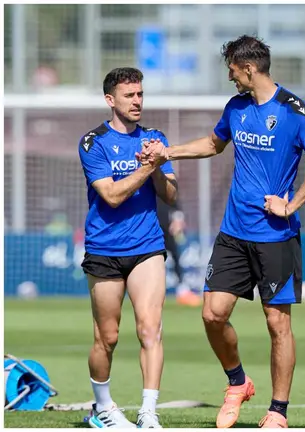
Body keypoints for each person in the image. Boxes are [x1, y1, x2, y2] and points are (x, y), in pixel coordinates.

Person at [139, 35, 305, 429]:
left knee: (277, 324)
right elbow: (213, 144)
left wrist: (291, 204)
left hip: (276, 236)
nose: (229, 75)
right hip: (233, 234)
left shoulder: (293, 110)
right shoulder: (236, 107)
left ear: (248, 68)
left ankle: (277, 412)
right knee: (212, 315)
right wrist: (167, 151)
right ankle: (238, 382)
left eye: (231, 68)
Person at [78, 67, 177, 429]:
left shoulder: (155, 138)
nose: (137, 101)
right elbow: (112, 195)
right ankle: (103, 408)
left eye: (140, 94)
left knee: (151, 330)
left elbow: (170, 194)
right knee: (107, 337)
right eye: (129, 95)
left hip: (147, 246)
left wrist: (157, 165)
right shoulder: (93, 142)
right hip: (104, 248)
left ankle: (148, 412)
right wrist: (148, 166)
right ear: (110, 100)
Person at [155, 198, 202, 306]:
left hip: (166, 229)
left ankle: (183, 290)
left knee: (175, 256)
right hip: (150, 231)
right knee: (153, 261)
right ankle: (154, 292)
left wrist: (178, 220)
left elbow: (174, 202)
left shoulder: (163, 184)